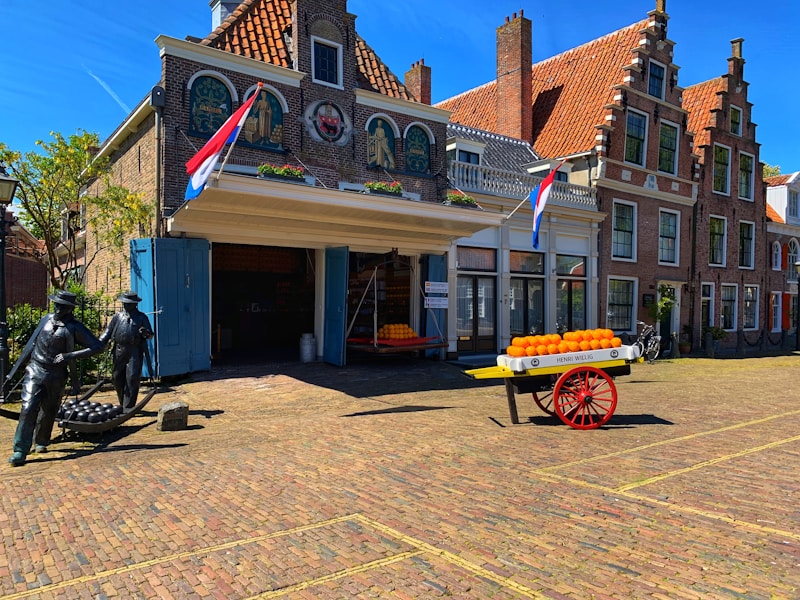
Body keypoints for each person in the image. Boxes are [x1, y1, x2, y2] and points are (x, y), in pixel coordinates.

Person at [9, 290, 104, 467]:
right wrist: (17, 367)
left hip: (56, 374)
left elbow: (98, 347)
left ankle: (42, 441)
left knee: (49, 410)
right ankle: (20, 450)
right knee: (28, 407)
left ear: (69, 309)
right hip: (36, 370)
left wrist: (70, 355)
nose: (58, 308)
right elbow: (32, 343)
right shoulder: (45, 319)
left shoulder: (75, 327)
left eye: (62, 306)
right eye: (57, 304)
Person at [97, 291, 154, 413]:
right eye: (124, 303)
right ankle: (123, 402)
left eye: (128, 303)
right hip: (119, 350)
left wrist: (145, 333)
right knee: (117, 377)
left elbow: (150, 335)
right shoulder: (118, 317)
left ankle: (129, 406)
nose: (125, 305)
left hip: (134, 351)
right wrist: (98, 343)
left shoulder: (141, 317)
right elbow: (107, 332)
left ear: (135, 304)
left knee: (132, 377)